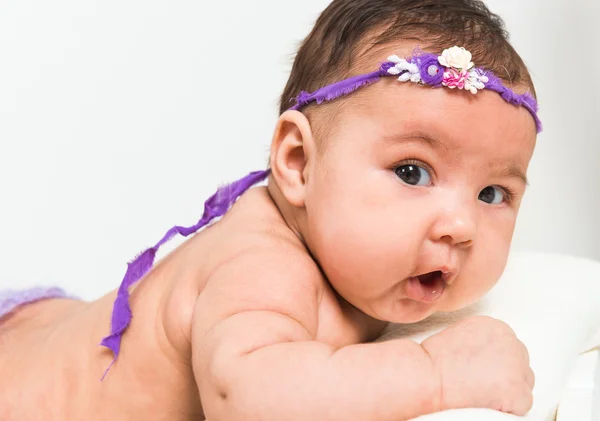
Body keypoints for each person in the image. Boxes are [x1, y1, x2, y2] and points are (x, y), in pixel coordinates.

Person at [0, 0, 541, 419]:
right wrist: (437, 373)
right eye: (412, 172)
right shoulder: (264, 264)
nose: (461, 226)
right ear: (298, 160)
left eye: (493, 194)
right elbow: (249, 397)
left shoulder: (355, 259)